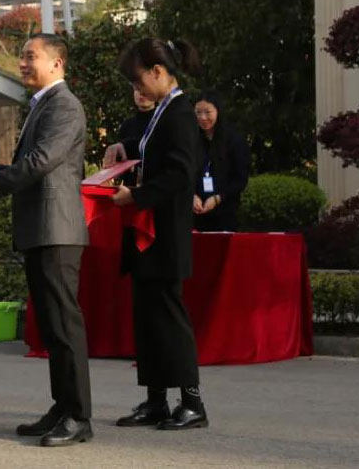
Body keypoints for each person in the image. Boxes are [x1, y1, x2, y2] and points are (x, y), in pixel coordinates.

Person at [0, 34, 92, 448]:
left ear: (57, 63)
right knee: (51, 326)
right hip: (41, 229)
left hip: (57, 230)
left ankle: (78, 416)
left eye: (30, 56)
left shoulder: (64, 105)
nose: (21, 62)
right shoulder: (43, 104)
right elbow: (26, 164)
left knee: (64, 325)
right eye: (21, 55)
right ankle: (62, 407)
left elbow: (40, 162)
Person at [103, 37, 209, 431]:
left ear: (159, 72)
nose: (138, 89)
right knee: (147, 317)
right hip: (148, 232)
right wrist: (124, 146)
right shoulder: (162, 112)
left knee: (169, 317)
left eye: (139, 80)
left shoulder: (180, 113)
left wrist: (137, 195)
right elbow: (153, 151)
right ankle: (156, 399)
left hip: (166, 233)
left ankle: (192, 401)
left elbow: (180, 173)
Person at [192, 90, 250, 232]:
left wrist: (218, 198)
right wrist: (191, 196)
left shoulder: (234, 140)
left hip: (225, 211)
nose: (203, 117)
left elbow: (240, 179)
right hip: (195, 211)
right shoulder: (191, 139)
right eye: (198, 112)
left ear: (218, 111)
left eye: (208, 112)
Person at [115, 89, 156, 187]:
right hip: (130, 187)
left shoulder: (163, 122)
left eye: (145, 88)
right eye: (137, 89)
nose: (141, 93)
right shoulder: (127, 125)